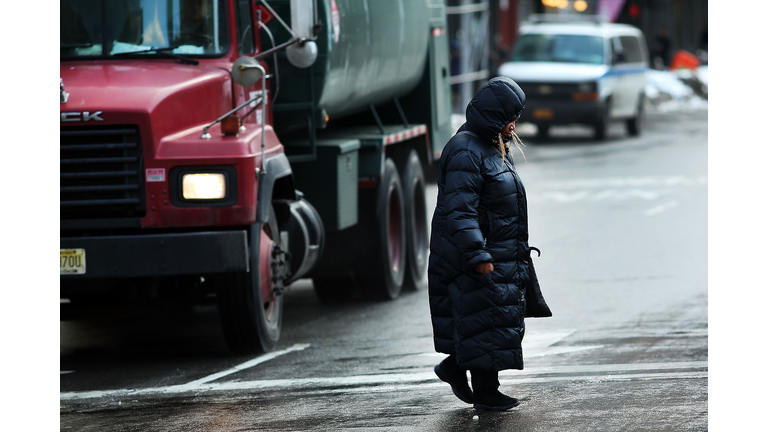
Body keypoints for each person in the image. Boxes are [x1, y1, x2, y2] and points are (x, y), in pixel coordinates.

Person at [428, 76, 537, 411]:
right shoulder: (466, 150)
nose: (514, 123)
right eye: (510, 116)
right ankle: (486, 392)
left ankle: (458, 369)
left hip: (497, 250)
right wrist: (476, 251)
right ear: (494, 115)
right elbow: (459, 210)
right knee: (483, 318)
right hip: (472, 254)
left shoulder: (490, 144)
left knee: (489, 319)